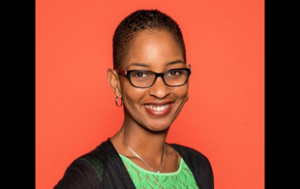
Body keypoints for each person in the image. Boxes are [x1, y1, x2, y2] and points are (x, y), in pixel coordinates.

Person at [54, 9, 214, 189]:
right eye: (140, 74)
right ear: (116, 83)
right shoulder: (90, 177)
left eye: (174, 72)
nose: (160, 91)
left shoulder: (198, 168)